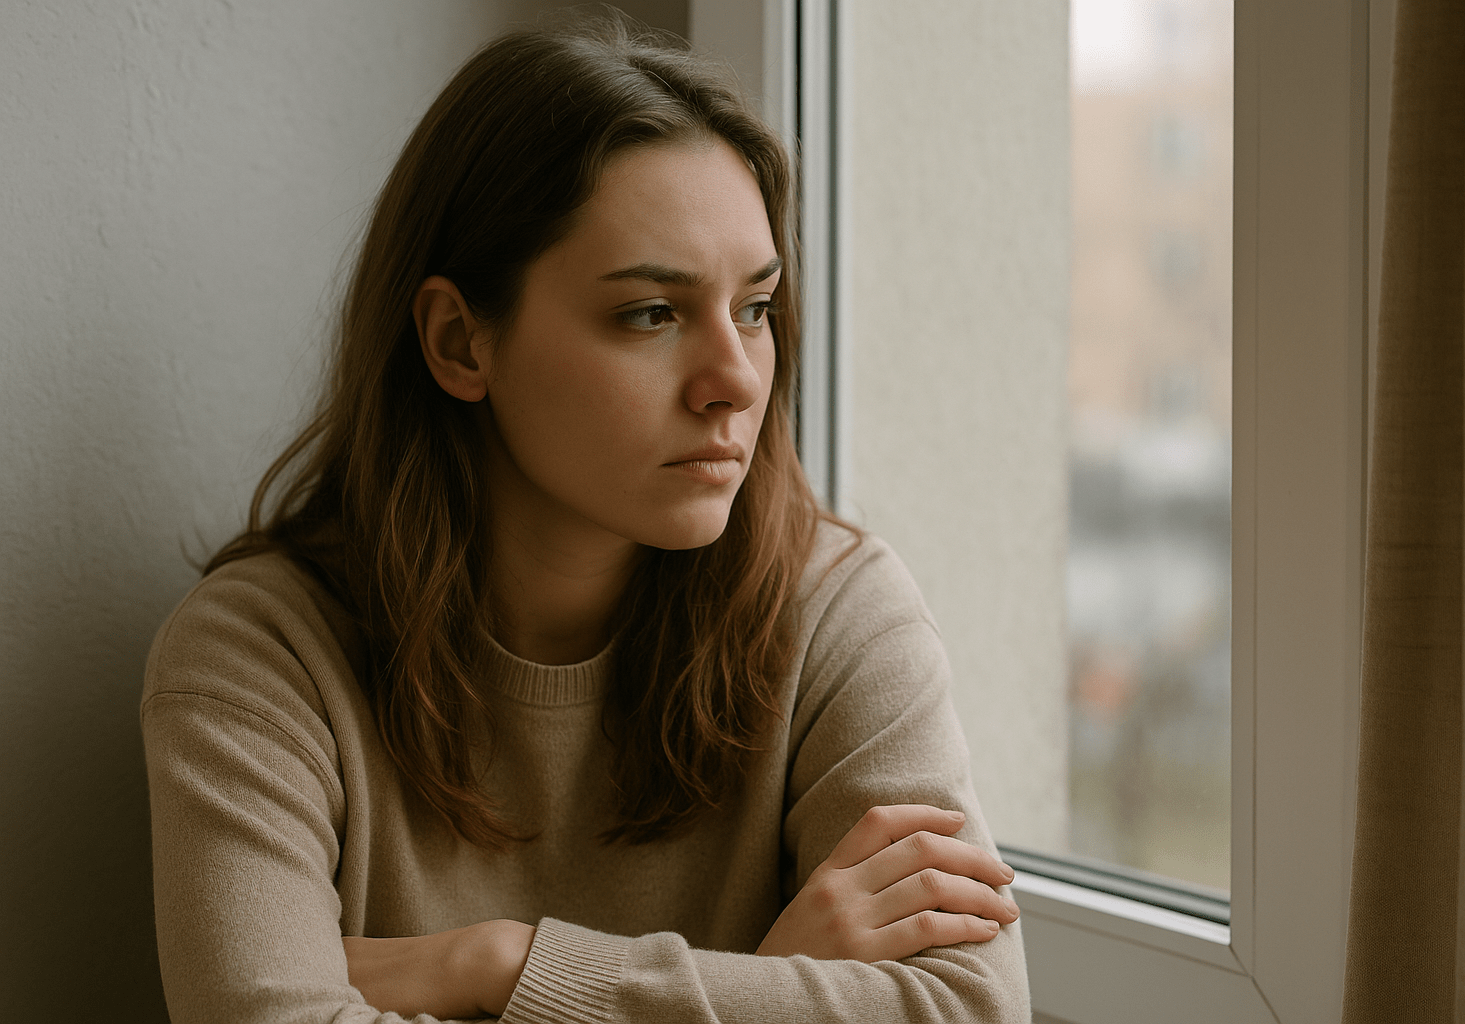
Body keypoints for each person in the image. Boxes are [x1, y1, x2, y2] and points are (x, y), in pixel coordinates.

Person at [141, 14, 1031, 1024]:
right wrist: (762, 981)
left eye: (755, 307)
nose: (734, 380)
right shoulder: (260, 656)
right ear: (459, 341)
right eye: (650, 313)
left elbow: (967, 1006)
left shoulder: (837, 609)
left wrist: (499, 966)